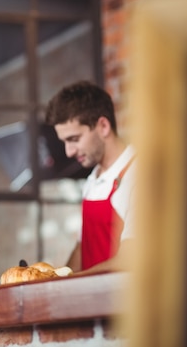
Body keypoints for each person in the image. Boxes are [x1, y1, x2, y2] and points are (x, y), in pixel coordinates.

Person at [45, 80, 135, 274]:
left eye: (74, 139)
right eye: (64, 142)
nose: (69, 152)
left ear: (103, 126)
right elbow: (82, 248)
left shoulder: (138, 175)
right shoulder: (93, 179)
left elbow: (130, 259)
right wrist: (54, 280)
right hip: (91, 301)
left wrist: (72, 282)